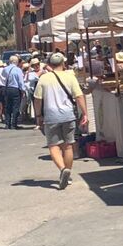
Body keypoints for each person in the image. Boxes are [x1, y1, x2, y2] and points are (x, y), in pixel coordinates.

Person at [33, 52, 89, 190]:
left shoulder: (44, 78)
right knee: (68, 145)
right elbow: (79, 96)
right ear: (63, 63)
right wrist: (85, 114)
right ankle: (67, 173)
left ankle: (63, 169)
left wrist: (38, 115)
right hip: (68, 115)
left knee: (53, 146)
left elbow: (37, 99)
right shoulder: (70, 77)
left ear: (50, 64)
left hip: (51, 116)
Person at [3, 55, 26, 129]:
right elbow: (20, 81)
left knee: (7, 107)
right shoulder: (18, 70)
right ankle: (14, 124)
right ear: (16, 62)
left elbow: (3, 76)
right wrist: (23, 90)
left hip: (7, 88)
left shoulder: (5, 69)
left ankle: (7, 123)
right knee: (15, 107)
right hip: (15, 89)